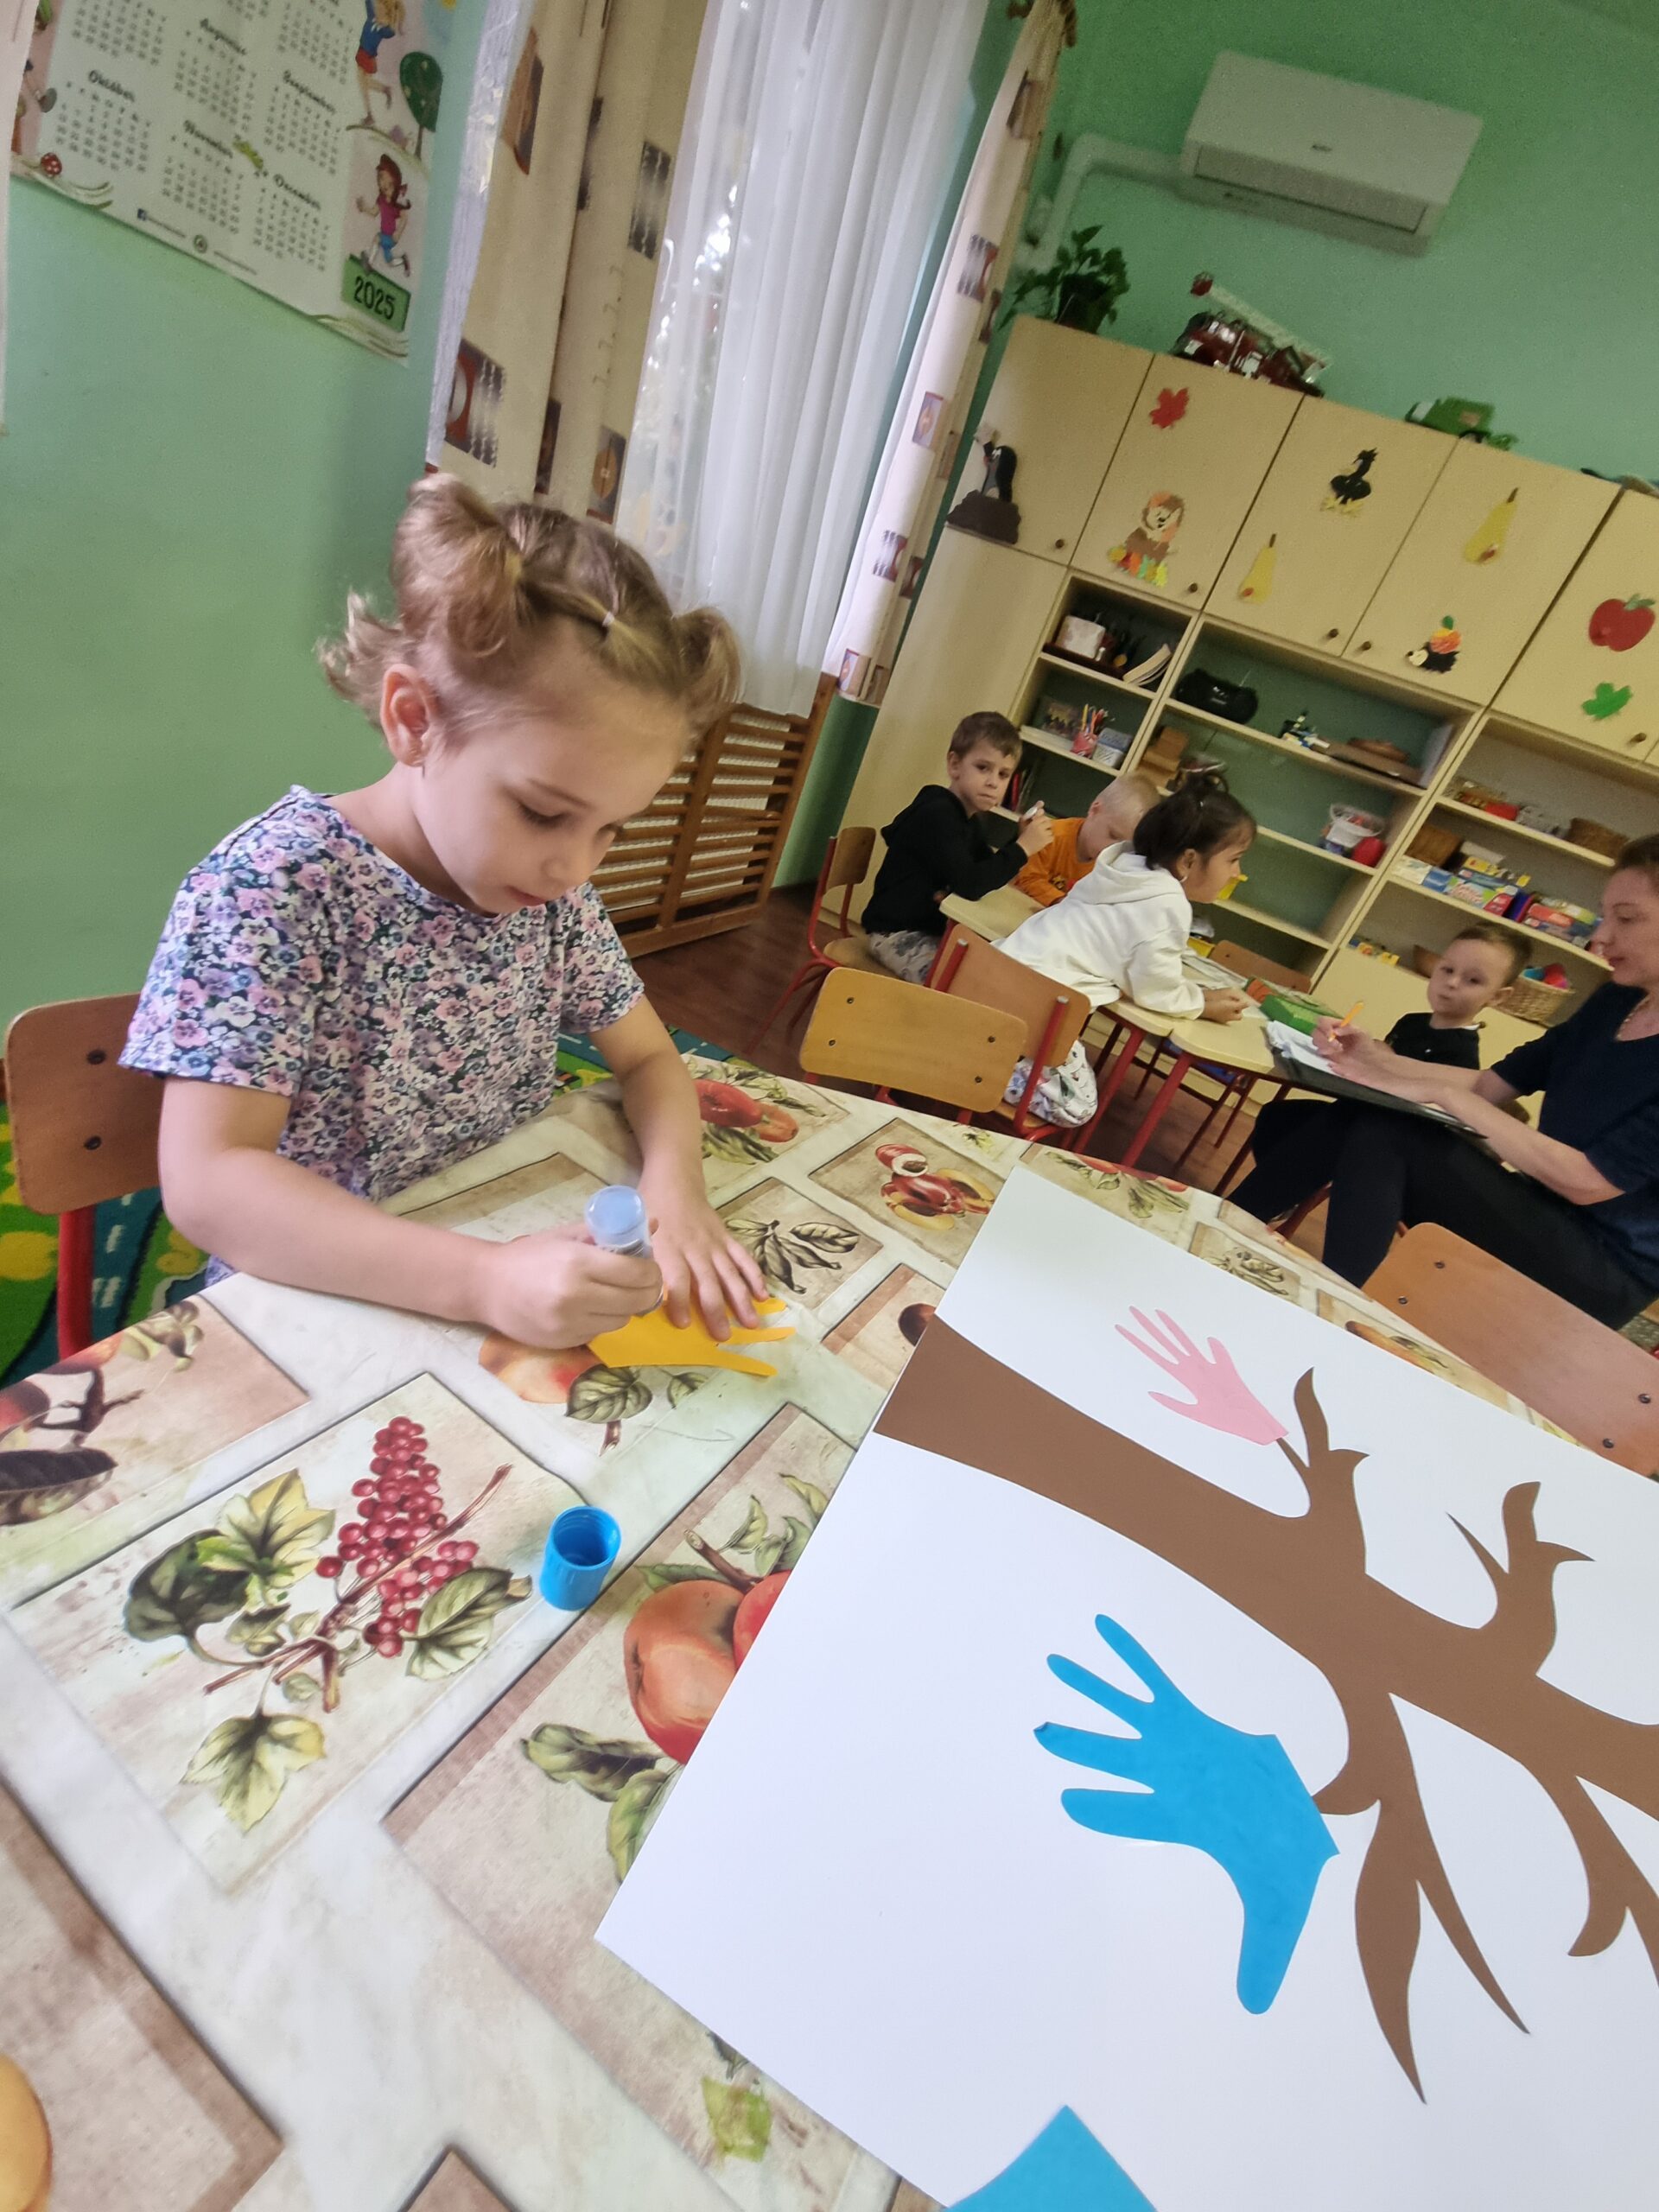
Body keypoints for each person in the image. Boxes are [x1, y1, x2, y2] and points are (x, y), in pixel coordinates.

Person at [121, 477, 768, 1349]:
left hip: (502, 1250)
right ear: (414, 719)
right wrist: (481, 1280)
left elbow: (652, 1057)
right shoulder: (272, 887)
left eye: (611, 828)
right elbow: (209, 1183)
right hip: (324, 1299)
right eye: (543, 812)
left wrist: (675, 1191)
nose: (575, 866)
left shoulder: (550, 899)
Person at [1228, 840, 1659, 1325]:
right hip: (1539, 1209)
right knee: (1367, 1115)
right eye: (1604, 916)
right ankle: (1230, 1225)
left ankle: (1336, 1315)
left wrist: (1438, 1094)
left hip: (1602, 1267)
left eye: (1626, 919)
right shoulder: (1615, 1002)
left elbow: (1587, 1183)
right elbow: (1491, 1085)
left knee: (1389, 1134)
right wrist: (1376, 1059)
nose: (1601, 937)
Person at [993, 766, 1255, 1126]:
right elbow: (1154, 991)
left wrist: (1199, 997)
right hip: (1032, 1013)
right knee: (1080, 1107)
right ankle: (988, 1064)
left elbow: (1138, 966)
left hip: (998, 975)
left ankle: (984, 1050)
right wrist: (1202, 1004)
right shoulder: (1167, 904)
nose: (1236, 873)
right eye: (1234, 860)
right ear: (1189, 860)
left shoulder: (1123, 865)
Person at [1238, 923, 1525, 1175]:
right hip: (1353, 1110)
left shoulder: (1463, 1056)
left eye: (1473, 980)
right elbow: (1381, 1057)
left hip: (1383, 1138)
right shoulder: (1413, 1021)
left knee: (1320, 1135)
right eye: (1447, 970)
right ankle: (1280, 1191)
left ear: (1497, 997)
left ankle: (1272, 1195)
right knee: (1278, 1117)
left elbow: (1430, 1113)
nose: (1451, 983)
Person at [861, 712, 1051, 983]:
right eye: (983, 768)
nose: (993, 782)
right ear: (954, 765)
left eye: (1003, 774)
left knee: (990, 973)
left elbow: (984, 872)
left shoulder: (969, 820)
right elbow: (971, 884)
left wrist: (1018, 839)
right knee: (966, 984)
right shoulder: (939, 814)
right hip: (895, 934)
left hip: (926, 930)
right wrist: (1022, 848)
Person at [1012, 771, 1160, 907]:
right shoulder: (1049, 836)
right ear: (1094, 809)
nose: (1113, 849)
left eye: (1124, 846)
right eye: (1113, 835)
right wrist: (1064, 903)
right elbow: (1029, 880)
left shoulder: (1111, 864)